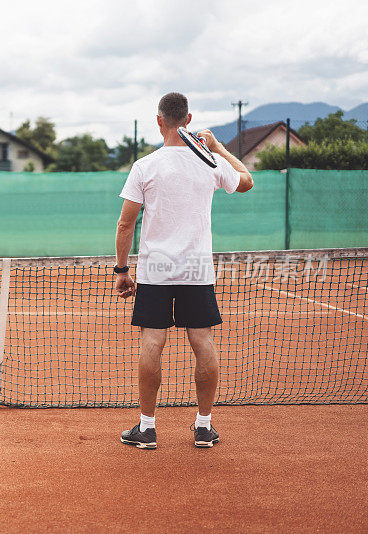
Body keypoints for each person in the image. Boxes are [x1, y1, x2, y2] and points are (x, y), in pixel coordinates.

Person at [114, 92, 253, 449]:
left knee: (152, 341)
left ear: (159, 120)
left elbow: (125, 224)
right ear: (188, 120)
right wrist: (219, 147)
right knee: (202, 341)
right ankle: (203, 427)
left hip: (155, 269)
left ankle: (147, 429)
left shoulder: (144, 166)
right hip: (196, 268)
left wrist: (122, 270)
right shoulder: (209, 161)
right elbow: (247, 179)